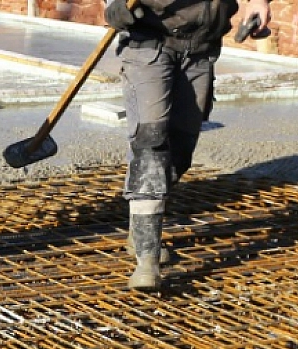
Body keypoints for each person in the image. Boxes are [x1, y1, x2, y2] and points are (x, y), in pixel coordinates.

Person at [104, 0, 273, 291]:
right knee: (151, 140)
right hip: (150, 41)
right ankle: (148, 259)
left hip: (201, 49)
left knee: (180, 149)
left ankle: (140, 225)